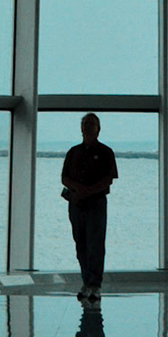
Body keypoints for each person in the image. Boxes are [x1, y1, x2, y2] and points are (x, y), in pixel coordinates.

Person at [61, 112, 117, 301]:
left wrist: (88, 191)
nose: (87, 126)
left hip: (96, 204)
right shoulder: (73, 152)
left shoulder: (106, 152)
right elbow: (65, 178)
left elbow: (109, 179)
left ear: (98, 128)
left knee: (96, 244)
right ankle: (86, 282)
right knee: (81, 243)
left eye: (91, 123)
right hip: (76, 204)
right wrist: (79, 190)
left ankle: (95, 284)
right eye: (85, 123)